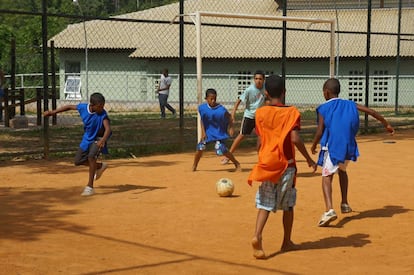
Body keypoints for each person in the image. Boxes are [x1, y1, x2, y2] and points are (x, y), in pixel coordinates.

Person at [248, 75, 317, 259]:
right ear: (284, 92)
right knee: (288, 205)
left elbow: (259, 141)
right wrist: (309, 159)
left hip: (267, 164)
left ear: (267, 93)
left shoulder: (260, 113)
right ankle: (286, 242)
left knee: (264, 203)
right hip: (287, 164)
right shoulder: (292, 112)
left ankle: (257, 235)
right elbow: (294, 138)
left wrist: (262, 158)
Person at [311, 78, 395, 227]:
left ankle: (329, 209)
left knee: (326, 176)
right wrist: (386, 123)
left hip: (333, 146)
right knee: (342, 171)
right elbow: (371, 111)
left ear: (326, 92)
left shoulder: (323, 108)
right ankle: (344, 203)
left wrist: (313, 145)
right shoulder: (350, 104)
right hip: (348, 146)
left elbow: (320, 130)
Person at [44, 92, 112, 197]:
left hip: (99, 138)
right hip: (87, 137)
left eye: (103, 106)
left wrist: (102, 140)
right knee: (78, 161)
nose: (102, 108)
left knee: (91, 156)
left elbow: (108, 129)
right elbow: (69, 107)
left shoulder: (103, 114)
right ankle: (99, 166)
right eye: (100, 106)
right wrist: (53, 112)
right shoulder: (83, 108)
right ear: (92, 105)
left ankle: (90, 187)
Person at [221, 70, 266, 164]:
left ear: (263, 80)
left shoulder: (265, 90)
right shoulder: (249, 90)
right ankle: (228, 156)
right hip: (249, 116)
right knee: (242, 135)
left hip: (260, 117)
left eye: (260, 79)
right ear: (254, 79)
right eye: (256, 79)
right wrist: (233, 113)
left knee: (262, 137)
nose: (258, 81)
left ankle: (262, 158)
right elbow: (238, 101)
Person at [192, 88, 242, 172]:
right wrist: (203, 133)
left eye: (214, 98)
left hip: (219, 133)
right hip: (208, 133)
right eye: (211, 98)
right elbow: (202, 120)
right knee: (200, 147)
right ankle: (194, 165)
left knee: (221, 149)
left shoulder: (221, 110)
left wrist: (231, 127)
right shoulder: (202, 108)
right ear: (206, 99)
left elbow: (230, 118)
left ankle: (236, 163)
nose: (213, 100)